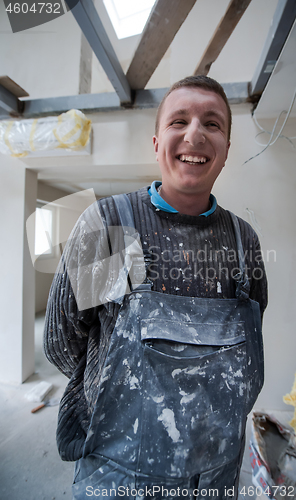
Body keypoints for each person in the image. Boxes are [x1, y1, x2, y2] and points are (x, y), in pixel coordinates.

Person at [44, 75, 268, 500]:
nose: (195, 134)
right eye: (178, 121)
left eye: (213, 124)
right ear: (156, 142)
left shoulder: (244, 242)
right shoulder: (109, 226)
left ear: (225, 152)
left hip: (215, 477)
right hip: (119, 477)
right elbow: (61, 342)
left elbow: (248, 344)